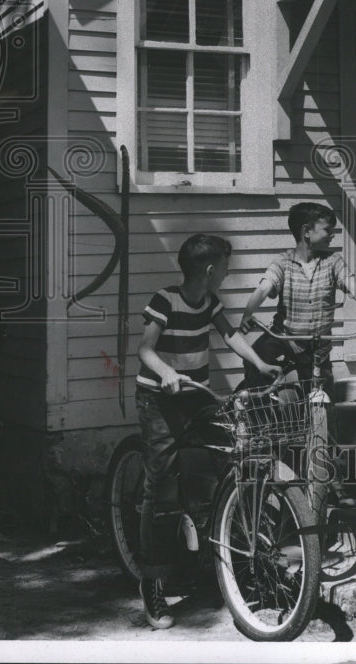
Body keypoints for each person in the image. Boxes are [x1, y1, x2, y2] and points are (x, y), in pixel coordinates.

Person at [135, 233, 280, 630]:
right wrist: (165, 373)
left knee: (228, 458)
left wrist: (259, 364)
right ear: (211, 270)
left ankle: (224, 555)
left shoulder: (211, 302)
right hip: (160, 400)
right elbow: (145, 349)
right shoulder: (166, 299)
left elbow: (230, 334)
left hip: (195, 395)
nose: (229, 273)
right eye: (227, 267)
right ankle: (152, 583)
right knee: (160, 486)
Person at [240, 202, 356, 495]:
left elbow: (353, 287)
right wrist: (248, 313)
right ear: (306, 232)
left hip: (316, 348)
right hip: (284, 339)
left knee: (323, 409)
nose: (333, 234)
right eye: (328, 229)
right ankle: (251, 414)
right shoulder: (282, 263)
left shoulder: (333, 263)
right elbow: (264, 288)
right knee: (255, 360)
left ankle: (329, 478)